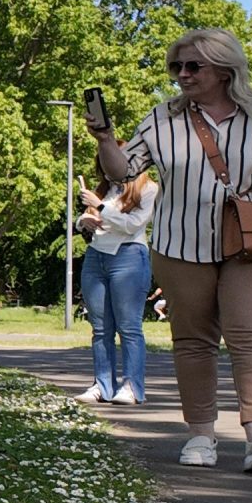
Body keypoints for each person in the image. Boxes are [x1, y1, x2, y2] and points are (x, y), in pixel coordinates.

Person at [89, 28, 252, 471]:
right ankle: (201, 437)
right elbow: (124, 172)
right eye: (176, 67)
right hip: (180, 242)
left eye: (193, 66)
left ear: (225, 69)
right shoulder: (162, 116)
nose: (182, 75)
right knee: (192, 341)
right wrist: (105, 139)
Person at [74, 173, 158, 404]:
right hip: (96, 256)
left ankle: (131, 387)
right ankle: (102, 385)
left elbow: (133, 226)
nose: (107, 170)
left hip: (129, 255)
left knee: (129, 327)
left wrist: (99, 206)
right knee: (100, 329)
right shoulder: (104, 188)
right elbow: (80, 220)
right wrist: (83, 221)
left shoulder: (149, 188)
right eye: (103, 165)